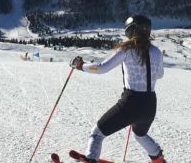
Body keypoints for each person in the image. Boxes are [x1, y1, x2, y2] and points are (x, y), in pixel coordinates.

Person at [71, 15, 166, 163]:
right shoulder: (156, 52)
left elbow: (101, 68)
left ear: (133, 31)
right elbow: (160, 75)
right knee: (140, 135)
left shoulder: (127, 49)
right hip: (150, 104)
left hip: (131, 102)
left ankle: (90, 159)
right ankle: (158, 159)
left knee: (97, 134)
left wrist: (81, 66)